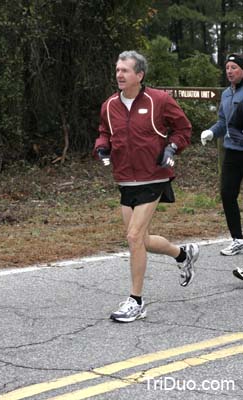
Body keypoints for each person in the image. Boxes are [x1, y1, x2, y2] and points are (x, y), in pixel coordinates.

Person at [93, 50, 199, 323]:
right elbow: (104, 132)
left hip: (154, 175)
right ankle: (183, 254)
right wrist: (102, 147)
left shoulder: (159, 100)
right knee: (141, 239)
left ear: (139, 75)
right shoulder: (109, 105)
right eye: (117, 69)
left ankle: (136, 301)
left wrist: (173, 147)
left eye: (125, 70)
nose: (119, 74)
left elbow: (183, 129)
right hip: (125, 178)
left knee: (133, 237)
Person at [201, 53, 243, 281]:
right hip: (232, 152)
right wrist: (211, 131)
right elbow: (222, 122)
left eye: (234, 67)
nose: (229, 71)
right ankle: (238, 239)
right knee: (227, 194)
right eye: (227, 67)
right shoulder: (226, 94)